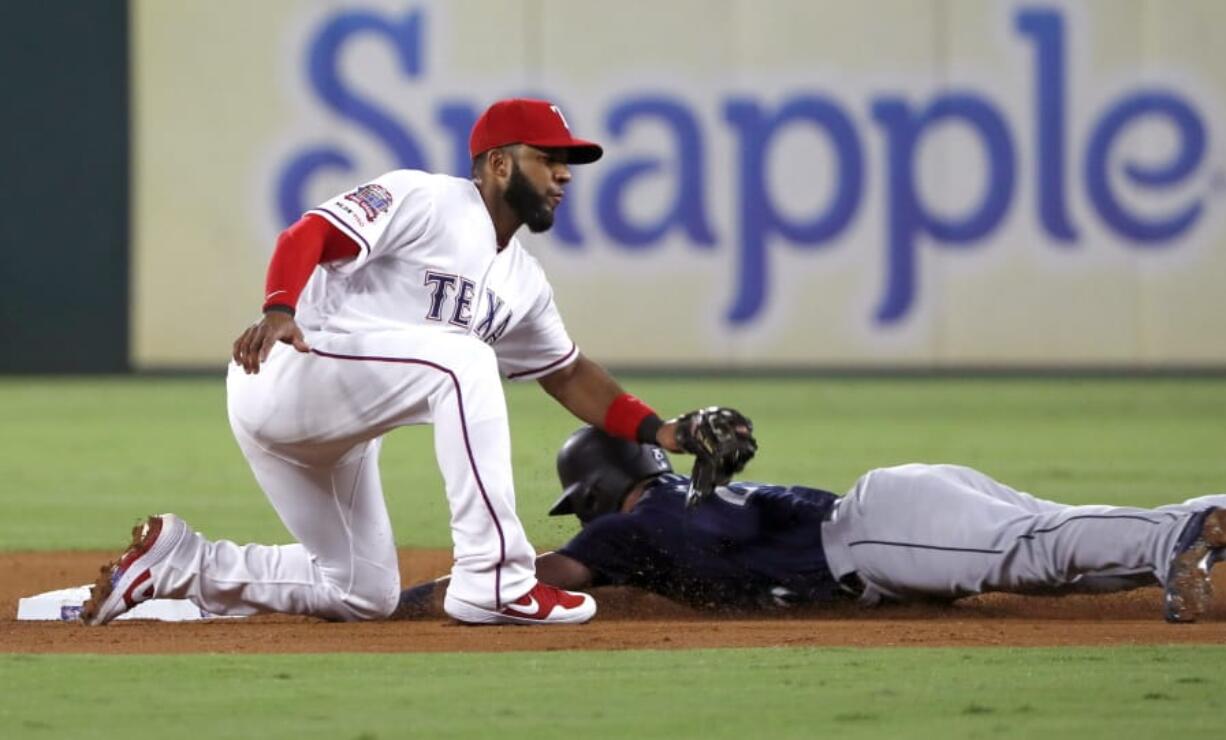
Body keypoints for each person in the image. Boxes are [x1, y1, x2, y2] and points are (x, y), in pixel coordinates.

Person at [81, 99, 749, 627]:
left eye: (568, 162)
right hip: (294, 367)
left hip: (331, 429)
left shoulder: (522, 280)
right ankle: (495, 578)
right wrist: (280, 308)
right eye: (548, 159)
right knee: (462, 360)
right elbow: (307, 233)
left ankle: (181, 564)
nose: (565, 174)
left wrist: (663, 433)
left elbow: (569, 373)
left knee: (360, 592)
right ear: (497, 165)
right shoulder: (426, 200)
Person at [396, 427, 1226, 624]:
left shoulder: (629, 527)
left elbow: (529, 580)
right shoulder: (678, 501)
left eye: (584, 505)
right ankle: (1194, 522)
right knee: (1046, 544)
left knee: (1034, 552)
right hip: (891, 509)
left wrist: (398, 604)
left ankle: (1173, 539)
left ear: (599, 491)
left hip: (868, 538)